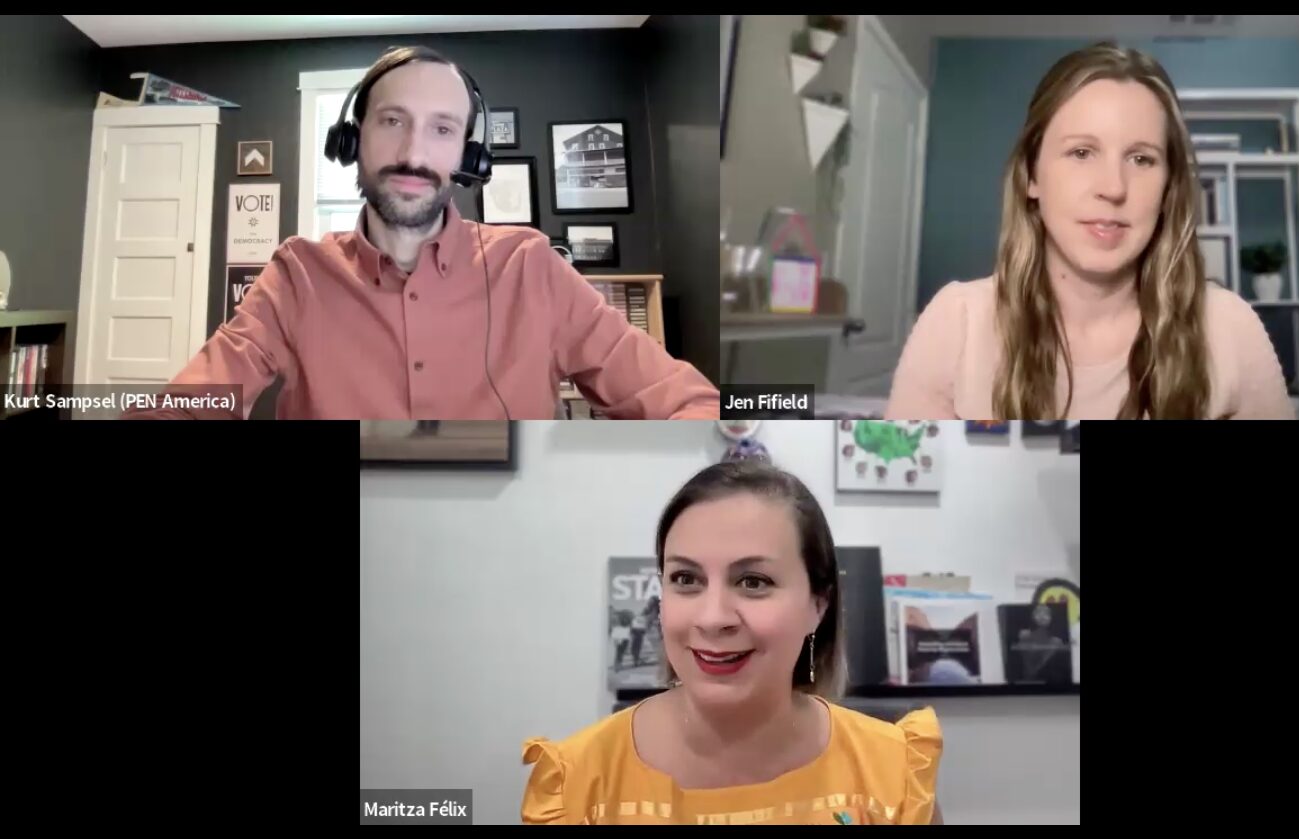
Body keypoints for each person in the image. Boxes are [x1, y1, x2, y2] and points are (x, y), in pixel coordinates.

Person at [124, 46, 718, 420]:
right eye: (392, 122)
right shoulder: (296, 274)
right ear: (352, 141)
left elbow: (677, 399)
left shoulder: (531, 265)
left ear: (469, 153)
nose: (413, 153)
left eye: (441, 129)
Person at [520, 461, 943, 825]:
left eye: (753, 582)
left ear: (819, 603)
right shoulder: (576, 786)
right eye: (686, 579)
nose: (713, 617)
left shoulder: (893, 778)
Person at [886, 42, 1293, 420]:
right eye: (1081, 152)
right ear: (1032, 176)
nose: (1113, 187)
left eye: (1141, 158)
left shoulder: (1229, 329)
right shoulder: (957, 324)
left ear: (1169, 187)